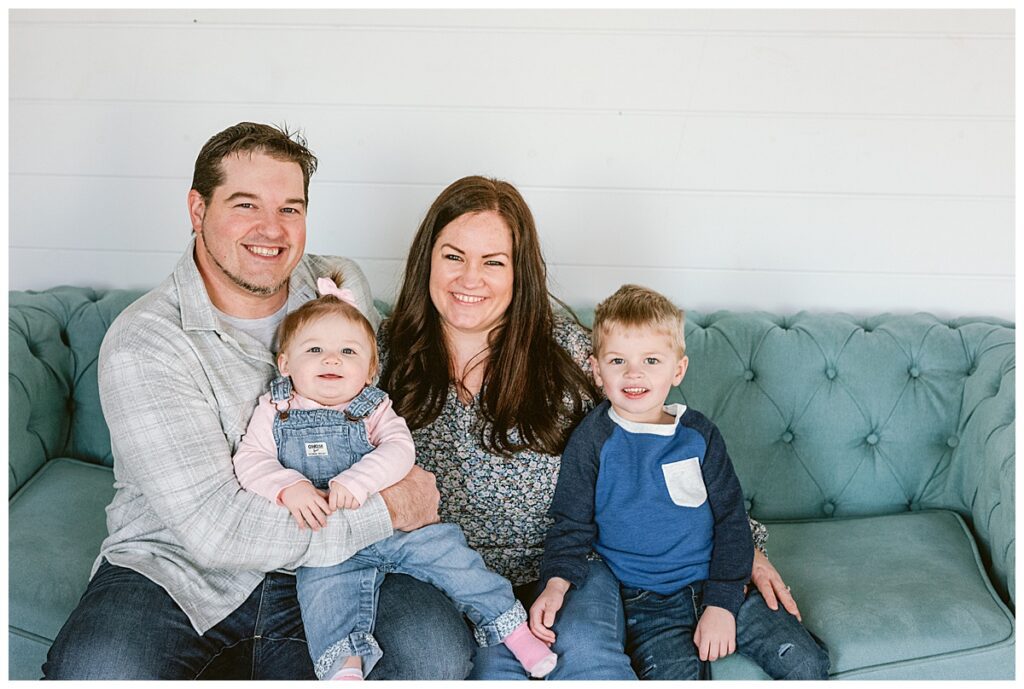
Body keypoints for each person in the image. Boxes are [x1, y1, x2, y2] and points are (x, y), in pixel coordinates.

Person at [42, 122, 474, 680]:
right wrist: (390, 508)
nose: (272, 229)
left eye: (290, 208)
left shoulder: (338, 286)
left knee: (430, 654)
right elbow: (216, 530)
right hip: (178, 570)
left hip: (345, 563)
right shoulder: (145, 341)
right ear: (198, 210)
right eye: (246, 204)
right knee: (97, 673)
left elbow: (376, 409)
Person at [377, 176, 805, 679]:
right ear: (427, 259)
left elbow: (664, 441)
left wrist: (744, 550)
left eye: (493, 262)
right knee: (474, 667)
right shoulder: (378, 355)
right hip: (442, 572)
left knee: (586, 656)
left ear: (519, 273)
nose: (470, 278)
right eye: (454, 256)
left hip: (569, 562)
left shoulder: (569, 351)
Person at [232, 274, 557, 680]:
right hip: (329, 543)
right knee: (324, 599)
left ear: (370, 371)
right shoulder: (275, 409)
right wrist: (288, 487)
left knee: (455, 559)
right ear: (285, 364)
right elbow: (251, 459)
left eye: (348, 351)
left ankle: (515, 632)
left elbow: (400, 450)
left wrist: (359, 481)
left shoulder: (373, 407)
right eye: (314, 349)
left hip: (398, 529)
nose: (331, 360)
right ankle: (345, 668)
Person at [529, 284, 831, 680]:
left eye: (651, 360)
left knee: (805, 662)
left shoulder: (699, 435)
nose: (634, 373)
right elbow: (571, 524)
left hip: (720, 581)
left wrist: (722, 602)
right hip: (645, 603)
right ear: (597, 370)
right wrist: (555, 583)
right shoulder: (591, 441)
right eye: (618, 360)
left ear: (678, 369)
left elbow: (731, 520)